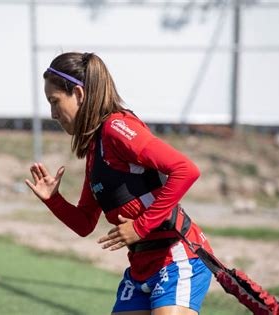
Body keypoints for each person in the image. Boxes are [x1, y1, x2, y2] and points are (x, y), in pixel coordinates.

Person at [25, 52, 213, 315]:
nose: (53, 113)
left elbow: (185, 170)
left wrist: (140, 227)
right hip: (141, 268)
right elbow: (84, 223)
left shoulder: (117, 128)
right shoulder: (96, 147)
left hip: (177, 257)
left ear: (79, 94)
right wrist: (53, 200)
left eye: (55, 101)